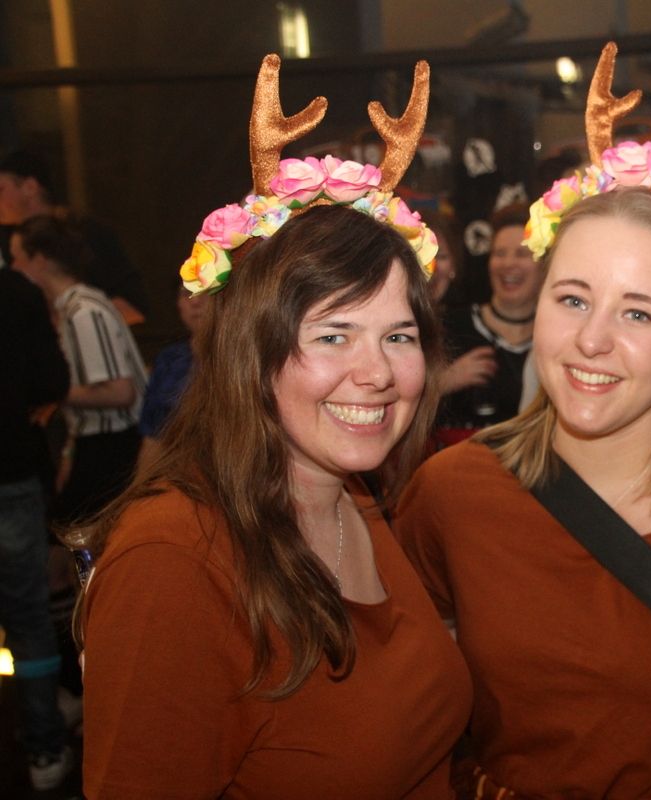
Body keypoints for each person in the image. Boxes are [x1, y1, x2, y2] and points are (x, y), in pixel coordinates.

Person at [397, 45, 651, 797]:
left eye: (638, 313)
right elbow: (402, 710)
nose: (593, 340)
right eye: (573, 299)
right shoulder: (451, 496)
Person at [75, 55, 471, 798]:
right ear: (250, 354)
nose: (377, 372)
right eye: (333, 334)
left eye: (399, 335)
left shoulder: (352, 496)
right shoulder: (174, 562)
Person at [10, 215, 147, 524]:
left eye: (18, 259)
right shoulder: (70, 309)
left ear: (40, 260)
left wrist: (49, 393)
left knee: (71, 534)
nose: (14, 269)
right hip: (97, 443)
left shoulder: (84, 311)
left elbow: (120, 392)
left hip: (115, 447)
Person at [0, 265, 73, 789]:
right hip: (11, 469)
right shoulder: (16, 292)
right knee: (28, 617)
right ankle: (45, 752)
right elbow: (53, 381)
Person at [0, 149, 149, 322]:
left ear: (30, 187)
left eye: (1, 189)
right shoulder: (5, 240)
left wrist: (64, 320)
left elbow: (134, 306)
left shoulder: (84, 234)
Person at [433, 203, 538, 446]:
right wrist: (443, 382)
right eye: (499, 253)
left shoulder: (555, 339)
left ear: (544, 264)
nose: (508, 263)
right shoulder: (449, 326)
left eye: (522, 254)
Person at [136, 286, 210, 471]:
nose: (195, 301)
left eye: (206, 292)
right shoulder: (169, 360)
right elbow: (152, 437)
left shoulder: (245, 359)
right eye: (187, 294)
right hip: (175, 475)